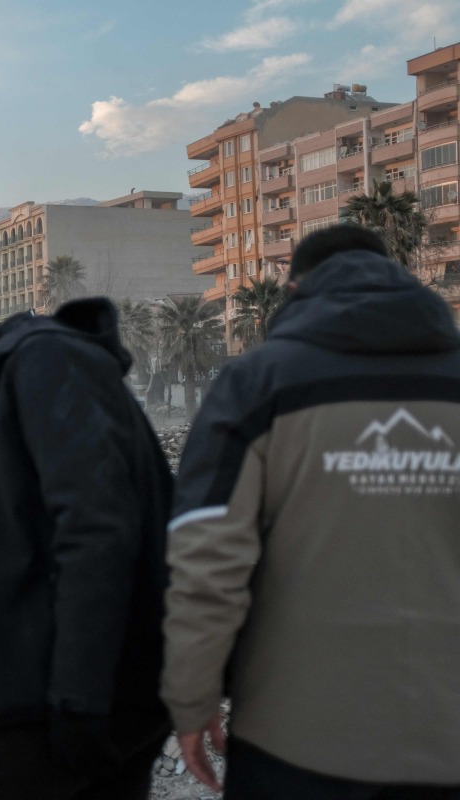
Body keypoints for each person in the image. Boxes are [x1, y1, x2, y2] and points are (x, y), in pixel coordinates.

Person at [163, 224, 460, 798]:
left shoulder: (256, 383)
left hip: (295, 743)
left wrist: (191, 698)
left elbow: (208, 559)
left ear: (296, 288)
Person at [0, 299, 172, 799]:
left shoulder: (42, 363)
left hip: (64, 694)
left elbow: (94, 529)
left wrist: (80, 697)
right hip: (100, 683)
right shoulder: (30, 372)